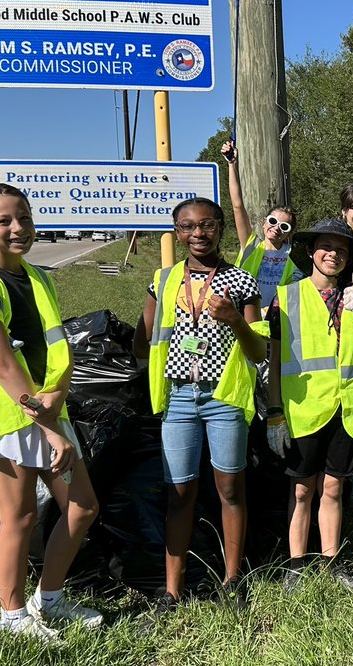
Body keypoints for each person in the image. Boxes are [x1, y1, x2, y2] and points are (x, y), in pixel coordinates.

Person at [0, 183, 100, 641]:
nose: (18, 228)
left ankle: (48, 600)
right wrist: (52, 429)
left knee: (83, 506)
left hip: (45, 408)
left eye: (24, 218)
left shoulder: (39, 277)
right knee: (21, 517)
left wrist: (60, 394)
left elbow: (54, 346)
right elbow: (4, 364)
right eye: (4, 221)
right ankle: (11, 617)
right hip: (9, 415)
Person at [134, 197, 266, 612]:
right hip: (178, 400)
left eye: (207, 225)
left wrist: (235, 321)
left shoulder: (241, 281)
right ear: (177, 232)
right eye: (188, 227)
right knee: (179, 491)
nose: (198, 234)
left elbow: (259, 352)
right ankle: (171, 591)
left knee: (230, 489)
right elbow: (144, 340)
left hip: (224, 398)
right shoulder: (164, 280)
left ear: (220, 229)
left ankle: (232, 581)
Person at [265, 218, 353, 594]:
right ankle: (295, 565)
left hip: (348, 409)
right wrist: (274, 412)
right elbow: (275, 358)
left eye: (341, 250)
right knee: (301, 491)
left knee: (333, 489)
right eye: (326, 247)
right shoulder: (287, 297)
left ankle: (332, 561)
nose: (333, 255)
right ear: (311, 252)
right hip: (304, 408)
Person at [220, 140, 298, 311]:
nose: (277, 228)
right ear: (264, 223)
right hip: (246, 318)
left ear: (289, 233)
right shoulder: (251, 244)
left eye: (284, 227)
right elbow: (237, 206)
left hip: (279, 320)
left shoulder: (294, 255)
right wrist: (232, 164)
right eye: (273, 221)